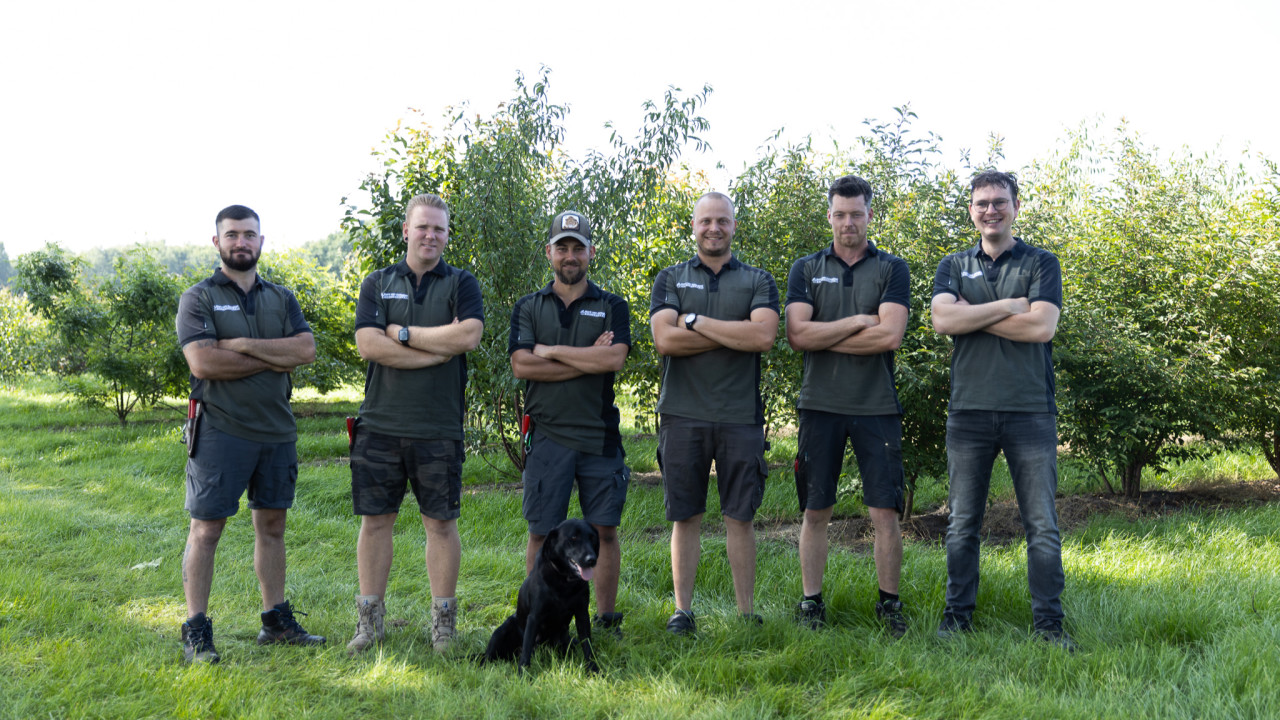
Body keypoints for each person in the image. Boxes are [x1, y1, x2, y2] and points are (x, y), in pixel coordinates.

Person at [931, 170, 1074, 649]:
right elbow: (941, 320)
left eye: (999, 201)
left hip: (1030, 411)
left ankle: (1049, 626)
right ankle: (957, 619)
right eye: (981, 203)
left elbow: (1041, 329)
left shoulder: (1041, 262)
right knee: (962, 524)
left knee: (1041, 526)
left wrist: (974, 314)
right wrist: (1011, 305)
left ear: (1016, 205)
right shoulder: (953, 264)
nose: (990, 210)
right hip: (968, 412)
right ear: (970, 210)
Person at [175, 204, 324, 664]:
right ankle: (196, 629)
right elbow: (203, 362)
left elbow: (306, 349)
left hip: (277, 431)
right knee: (207, 530)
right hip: (221, 430)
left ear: (262, 241)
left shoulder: (281, 297)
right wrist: (274, 356)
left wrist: (239, 345)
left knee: (272, 526)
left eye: (250, 234)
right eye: (233, 234)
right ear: (217, 242)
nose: (242, 242)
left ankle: (275, 620)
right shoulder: (197, 298)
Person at [346, 193, 484, 656]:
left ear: (447, 234)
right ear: (405, 230)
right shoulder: (377, 283)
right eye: (423, 227)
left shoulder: (462, 283)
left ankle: (443, 625)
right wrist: (435, 351)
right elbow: (369, 345)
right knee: (375, 523)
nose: (431, 235)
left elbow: (468, 335)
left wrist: (403, 333)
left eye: (439, 229)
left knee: (441, 526)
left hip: (439, 427)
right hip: (379, 425)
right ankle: (369, 622)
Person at [785, 175, 911, 636]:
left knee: (884, 512)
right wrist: (861, 321)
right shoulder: (805, 268)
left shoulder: (892, 268)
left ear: (869, 215)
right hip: (820, 405)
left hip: (877, 405)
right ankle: (811, 604)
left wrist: (828, 332)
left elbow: (890, 335)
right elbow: (798, 335)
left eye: (856, 213)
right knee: (816, 510)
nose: (848, 222)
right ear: (829, 216)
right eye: (839, 214)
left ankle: (889, 604)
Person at [649, 191, 780, 634]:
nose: (714, 228)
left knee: (740, 517)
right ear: (694, 226)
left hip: (740, 416)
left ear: (733, 226)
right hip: (682, 414)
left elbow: (762, 337)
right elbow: (665, 341)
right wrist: (733, 333)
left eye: (722, 221)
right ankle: (682, 611)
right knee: (686, 516)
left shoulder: (758, 280)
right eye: (705, 221)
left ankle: (746, 613)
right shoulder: (669, 278)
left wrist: (696, 321)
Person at [508, 210, 632, 635]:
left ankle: (607, 619)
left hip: (599, 437)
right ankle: (536, 620)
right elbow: (523, 366)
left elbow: (613, 359)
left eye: (578, 247)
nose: (570, 255)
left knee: (605, 533)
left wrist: (551, 350)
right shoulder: (528, 307)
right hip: (547, 437)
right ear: (549, 253)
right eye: (562, 247)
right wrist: (585, 357)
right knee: (542, 534)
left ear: (591, 252)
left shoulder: (612, 305)